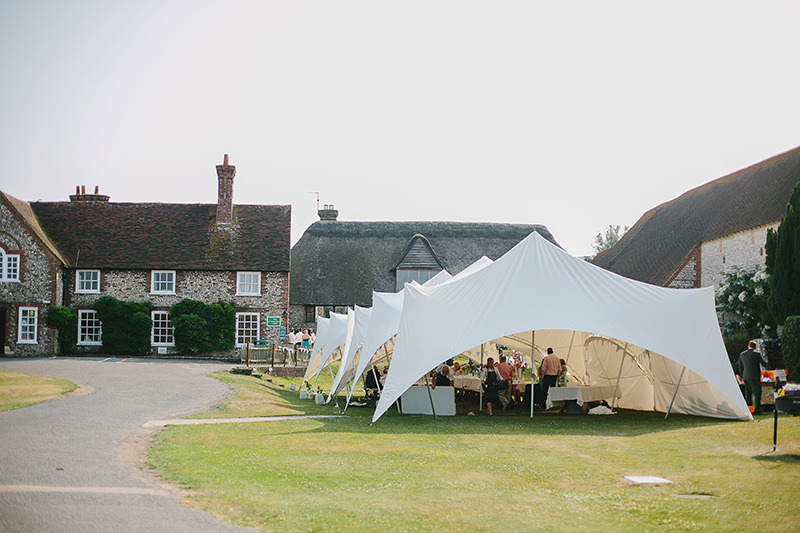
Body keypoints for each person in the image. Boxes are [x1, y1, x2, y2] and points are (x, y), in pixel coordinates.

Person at [736, 340, 763, 415]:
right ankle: (757, 410)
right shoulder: (756, 354)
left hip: (746, 376)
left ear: (748, 346)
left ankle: (749, 410)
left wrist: (742, 376)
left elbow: (740, 366)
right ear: (755, 347)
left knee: (748, 394)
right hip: (754, 377)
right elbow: (763, 363)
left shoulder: (742, 354)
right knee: (757, 393)